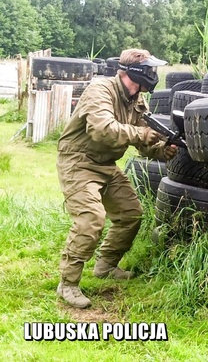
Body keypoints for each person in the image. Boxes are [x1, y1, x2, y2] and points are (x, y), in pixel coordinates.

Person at [56, 48, 177, 308]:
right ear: (136, 72)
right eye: (150, 70)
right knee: (91, 220)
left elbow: (142, 142)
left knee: (131, 214)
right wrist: (142, 135)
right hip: (78, 162)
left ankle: (106, 266)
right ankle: (68, 283)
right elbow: (103, 131)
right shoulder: (100, 91)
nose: (154, 75)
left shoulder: (138, 101)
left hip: (106, 164)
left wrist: (162, 150)